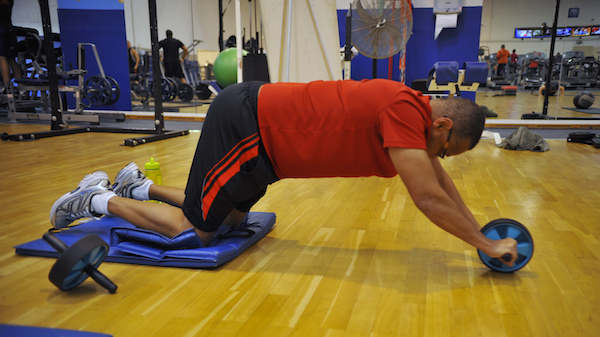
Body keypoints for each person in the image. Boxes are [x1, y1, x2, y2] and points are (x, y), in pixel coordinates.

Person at [49, 79, 518, 267]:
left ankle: (139, 186)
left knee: (231, 221)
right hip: (246, 126)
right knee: (198, 232)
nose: (437, 158)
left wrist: (478, 228)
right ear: (441, 124)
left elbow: (440, 185)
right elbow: (428, 199)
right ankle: (94, 199)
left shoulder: (416, 119)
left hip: (269, 155)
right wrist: (486, 244)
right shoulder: (404, 110)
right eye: (444, 149)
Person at [0, 0, 22, 88]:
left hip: (1, 29)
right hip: (8, 28)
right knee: (11, 59)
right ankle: (22, 88)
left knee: (2, 58)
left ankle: (7, 87)